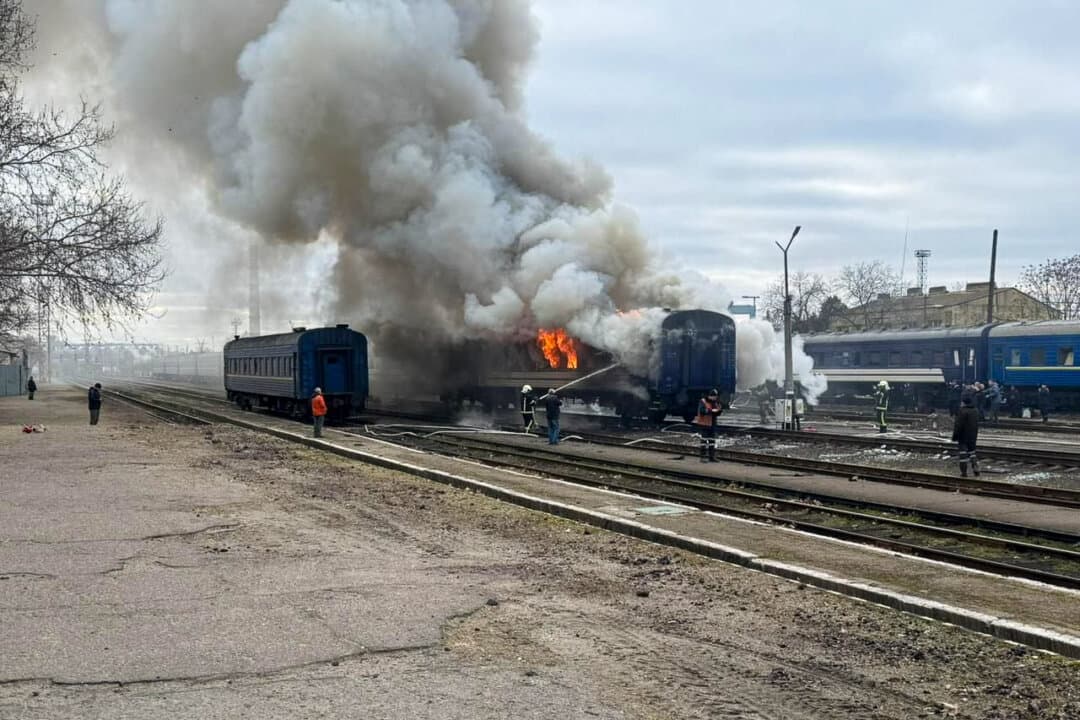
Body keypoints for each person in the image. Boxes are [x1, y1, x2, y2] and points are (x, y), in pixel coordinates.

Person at [952, 392, 980, 477]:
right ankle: (976, 468)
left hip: (963, 436)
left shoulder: (962, 411)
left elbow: (958, 425)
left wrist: (955, 436)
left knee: (963, 455)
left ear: (963, 402)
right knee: (972, 452)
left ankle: (964, 472)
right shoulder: (975, 410)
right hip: (973, 435)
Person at [694, 388, 722, 462]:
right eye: (714, 396)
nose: (715, 398)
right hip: (705, 424)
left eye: (716, 397)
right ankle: (702, 457)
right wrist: (711, 411)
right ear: (710, 396)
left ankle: (711, 457)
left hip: (713, 424)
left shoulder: (715, 402)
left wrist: (719, 410)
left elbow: (718, 412)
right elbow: (702, 411)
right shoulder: (703, 401)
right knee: (704, 441)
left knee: (712, 441)